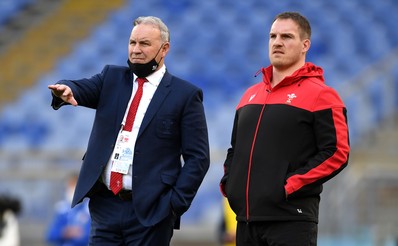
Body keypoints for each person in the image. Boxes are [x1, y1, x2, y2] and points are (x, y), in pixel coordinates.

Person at [48, 16, 210, 245]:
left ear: (164, 49)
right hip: (105, 206)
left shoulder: (185, 95)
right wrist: (67, 89)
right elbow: (81, 87)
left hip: (152, 212)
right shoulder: (111, 78)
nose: (135, 49)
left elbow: (198, 158)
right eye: (132, 42)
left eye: (144, 44)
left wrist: (174, 205)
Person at [219, 11, 350, 246]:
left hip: (291, 221)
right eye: (273, 36)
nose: (277, 42)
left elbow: (337, 152)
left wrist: (290, 185)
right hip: (246, 221)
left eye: (287, 37)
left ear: (305, 45)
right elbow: (234, 149)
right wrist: (230, 184)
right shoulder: (250, 95)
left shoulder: (323, 95)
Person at [46, 173, 91, 246]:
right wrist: (64, 233)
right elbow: (50, 235)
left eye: (74, 186)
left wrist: (78, 234)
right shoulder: (62, 210)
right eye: (69, 187)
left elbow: (91, 236)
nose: (71, 190)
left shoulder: (90, 209)